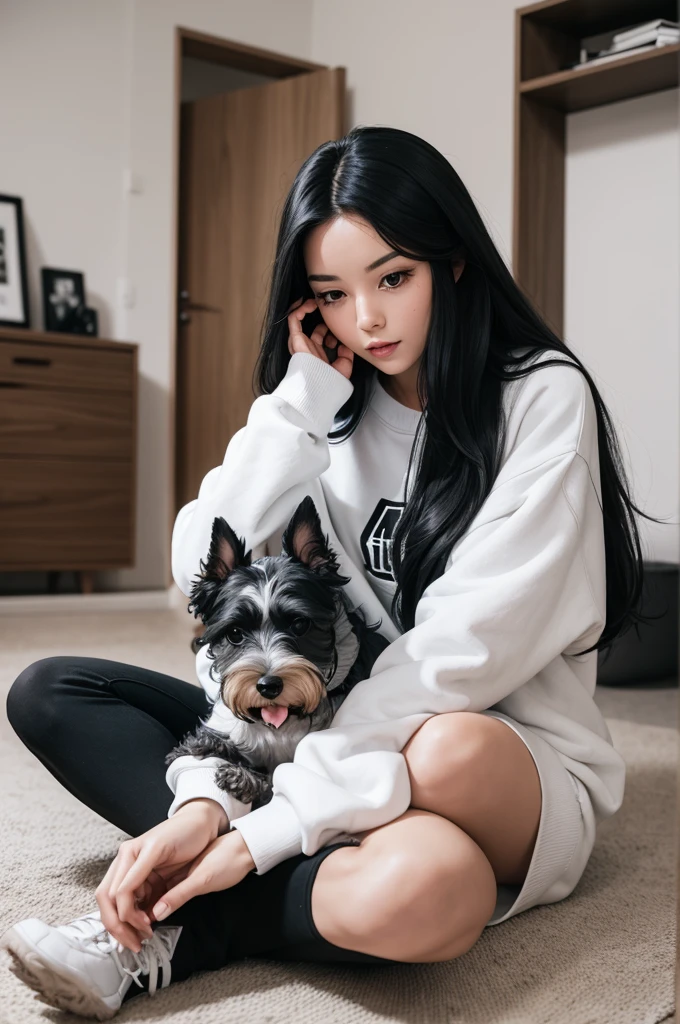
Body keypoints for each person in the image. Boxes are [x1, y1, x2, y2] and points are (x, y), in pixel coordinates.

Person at [3, 125, 660, 1019]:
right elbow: (198, 571)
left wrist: (251, 833)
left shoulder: (540, 397)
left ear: (453, 261)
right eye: (333, 295)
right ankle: (288, 868)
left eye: (393, 278)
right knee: (52, 690)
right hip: (317, 736)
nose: (369, 320)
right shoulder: (326, 400)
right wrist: (300, 403)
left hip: (494, 759)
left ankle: (192, 922)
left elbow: (457, 662)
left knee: (445, 750)